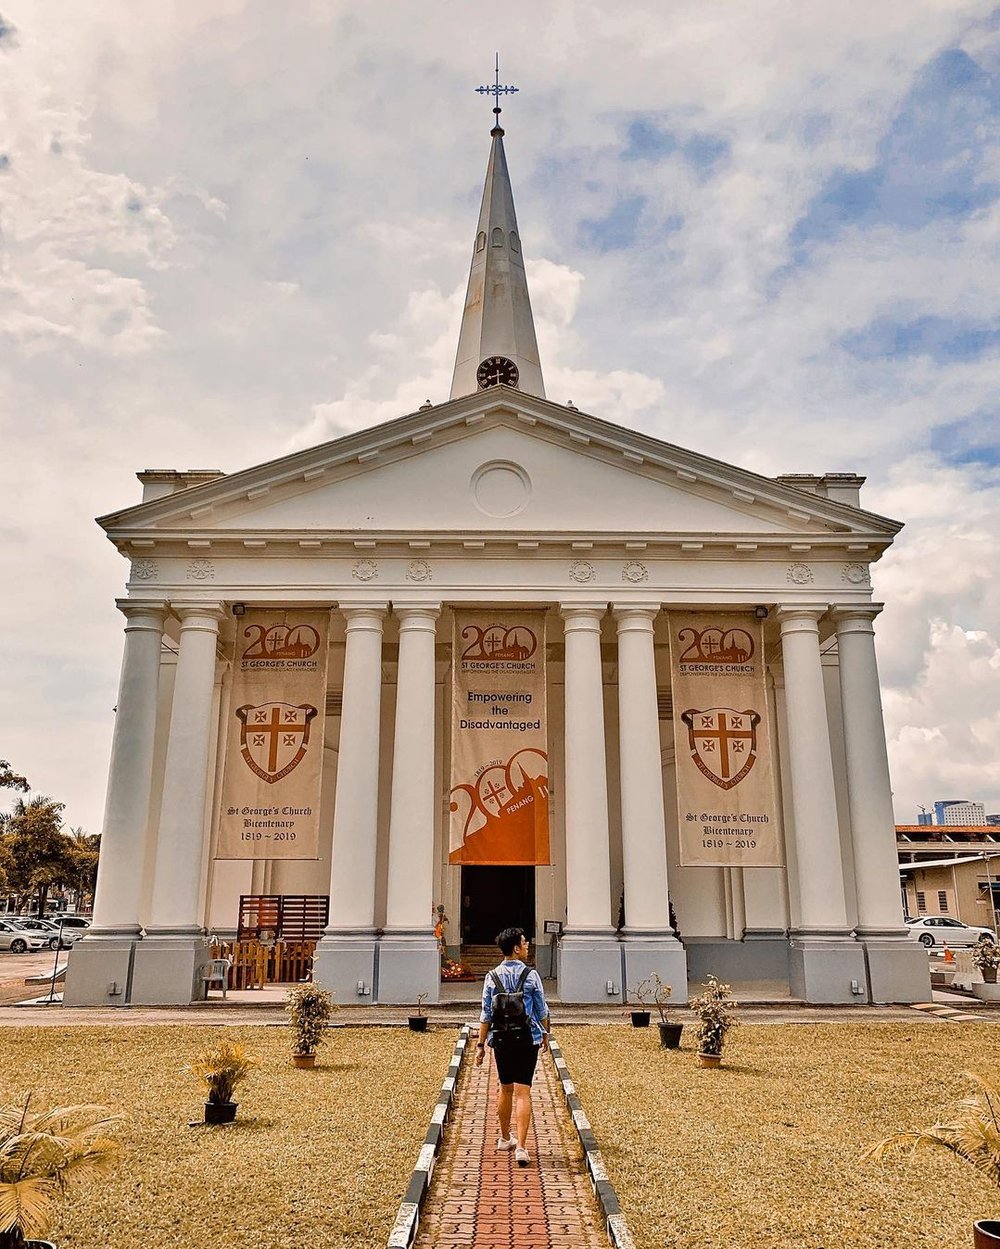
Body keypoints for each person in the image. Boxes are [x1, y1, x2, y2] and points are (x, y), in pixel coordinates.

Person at [474, 926, 550, 1168]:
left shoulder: (492, 976)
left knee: (505, 1088)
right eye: (524, 943)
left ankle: (505, 1138)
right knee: (523, 1091)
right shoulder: (531, 975)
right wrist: (546, 1033)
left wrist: (480, 1044)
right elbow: (542, 1010)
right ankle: (522, 1148)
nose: (527, 946)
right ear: (516, 948)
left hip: (501, 1039)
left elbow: (486, 1014)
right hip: (527, 1038)